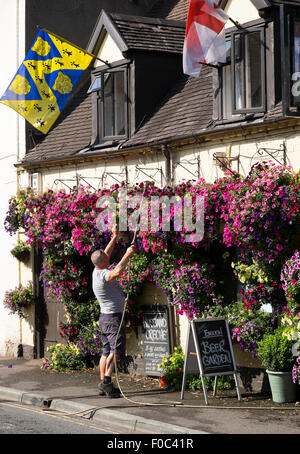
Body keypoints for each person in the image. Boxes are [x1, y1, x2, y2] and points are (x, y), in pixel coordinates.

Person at [91, 227, 136, 398]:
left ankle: (104, 384)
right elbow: (117, 272)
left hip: (105, 318)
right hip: (113, 319)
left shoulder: (96, 269)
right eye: (106, 257)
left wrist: (114, 237)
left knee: (106, 351)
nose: (109, 255)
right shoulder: (103, 275)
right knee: (115, 352)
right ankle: (107, 382)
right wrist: (127, 254)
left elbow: (105, 254)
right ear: (103, 262)